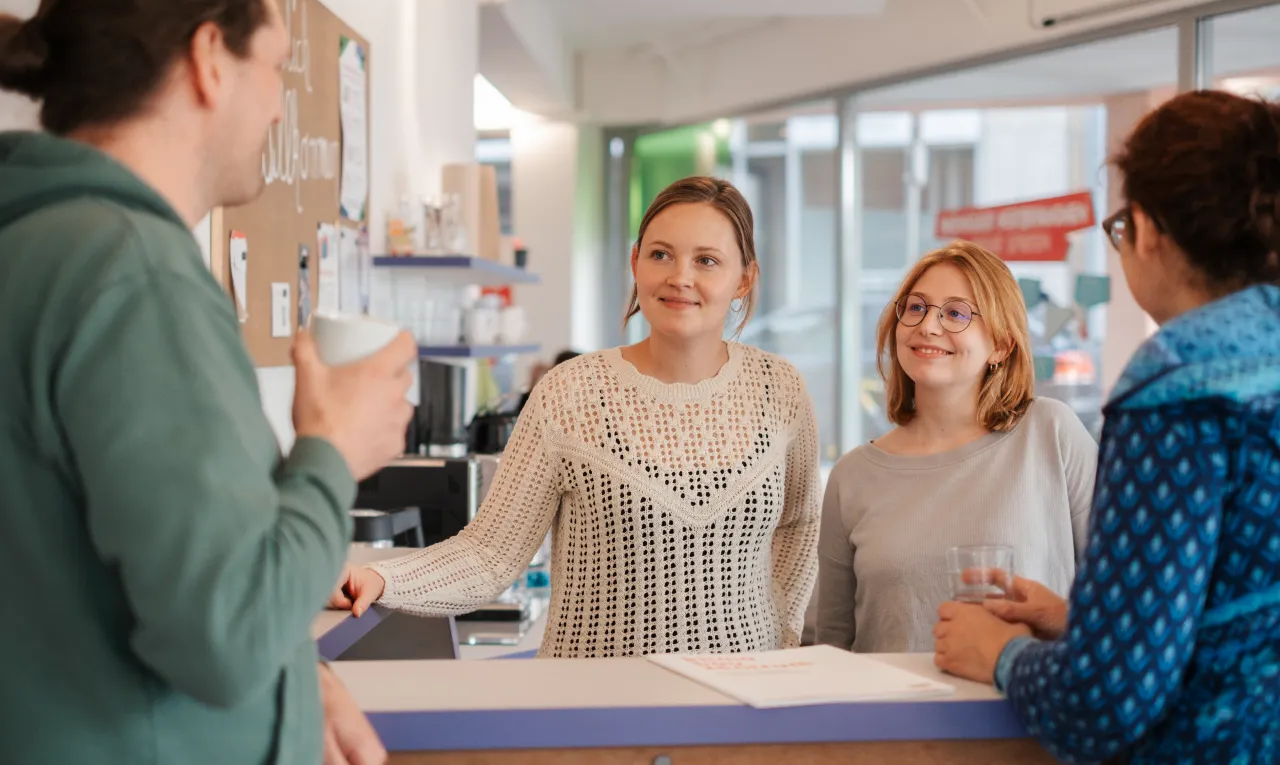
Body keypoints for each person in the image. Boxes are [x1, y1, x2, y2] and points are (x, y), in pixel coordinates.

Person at [0, 0, 414, 763]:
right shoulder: (130, 273)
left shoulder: (36, 244)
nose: (277, 104)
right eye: (277, 69)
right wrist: (332, 448)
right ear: (208, 57)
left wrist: (296, 676)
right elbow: (225, 636)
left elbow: (98, 584)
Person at [332, 176, 822, 656]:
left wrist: (780, 636)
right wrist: (381, 577)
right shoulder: (570, 393)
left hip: (740, 706)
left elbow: (799, 524)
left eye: (707, 261)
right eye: (661, 254)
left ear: (745, 279)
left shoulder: (779, 389)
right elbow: (491, 552)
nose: (680, 277)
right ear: (636, 262)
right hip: (596, 707)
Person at [933, 90, 1280, 763]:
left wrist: (1000, 653)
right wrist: (1082, 622)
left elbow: (1104, 697)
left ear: (1146, 228)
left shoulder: (1178, 382)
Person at [815, 241, 1096, 653]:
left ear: (1001, 345)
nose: (928, 326)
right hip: (889, 715)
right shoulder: (854, 475)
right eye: (916, 307)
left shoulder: (1051, 433)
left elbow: (1128, 603)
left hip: (1021, 709)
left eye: (955, 313)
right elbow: (829, 647)